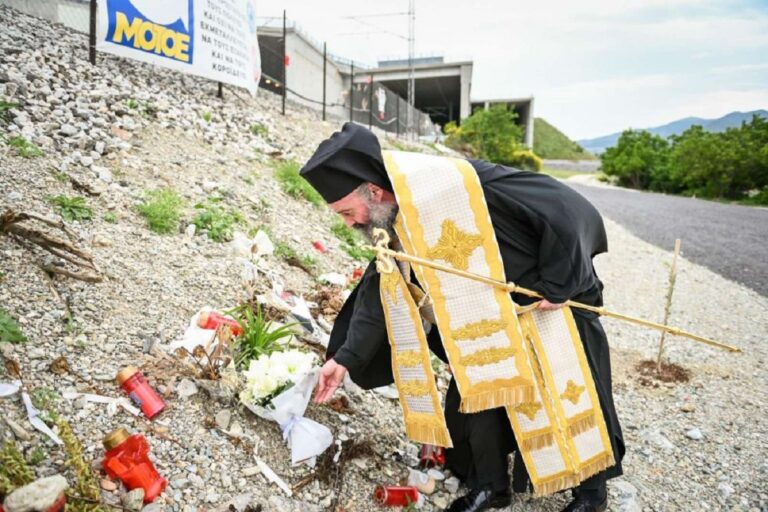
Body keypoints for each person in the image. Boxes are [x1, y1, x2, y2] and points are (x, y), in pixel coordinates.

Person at [303, 123, 625, 512]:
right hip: (482, 326)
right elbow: (380, 293)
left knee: (575, 393)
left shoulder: (455, 183)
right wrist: (344, 359)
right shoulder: (390, 221)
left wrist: (560, 283)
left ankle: (592, 495)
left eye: (347, 212)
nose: (350, 223)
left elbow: (567, 208)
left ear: (373, 192)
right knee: (475, 401)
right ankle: (492, 487)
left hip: (545, 308)